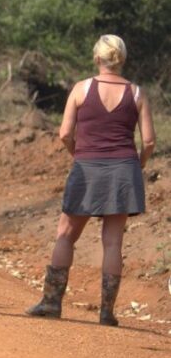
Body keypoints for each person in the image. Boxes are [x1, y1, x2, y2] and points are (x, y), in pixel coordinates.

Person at [26, 35, 155, 326]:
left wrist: (78, 154)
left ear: (97, 59)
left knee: (66, 234)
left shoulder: (82, 89)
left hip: (87, 167)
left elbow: (63, 133)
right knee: (113, 242)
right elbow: (148, 141)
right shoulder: (137, 93)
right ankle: (107, 311)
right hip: (123, 170)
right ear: (121, 59)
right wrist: (137, 164)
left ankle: (51, 302)